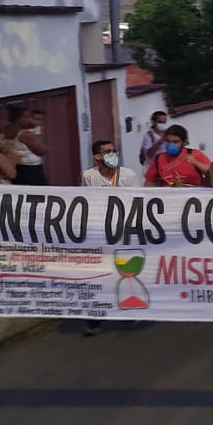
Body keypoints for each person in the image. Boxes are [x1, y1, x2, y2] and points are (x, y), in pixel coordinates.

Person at [81, 142, 140, 334]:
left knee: (124, 273)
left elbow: (139, 201)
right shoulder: (89, 176)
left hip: (123, 232)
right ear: (97, 157)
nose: (113, 154)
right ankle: (94, 318)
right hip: (99, 232)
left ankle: (128, 313)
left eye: (114, 151)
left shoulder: (127, 175)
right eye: (107, 152)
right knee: (97, 275)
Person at [144, 124, 213, 187]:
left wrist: (195, 162)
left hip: (193, 199)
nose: (171, 145)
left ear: (184, 142)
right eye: (168, 141)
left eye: (175, 142)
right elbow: (149, 182)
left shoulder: (194, 154)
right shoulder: (159, 159)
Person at [6, 105, 47, 185]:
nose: (30, 120)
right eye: (28, 117)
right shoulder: (26, 134)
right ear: (20, 118)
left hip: (17, 169)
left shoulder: (6, 129)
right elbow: (41, 151)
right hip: (30, 171)